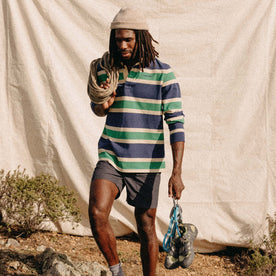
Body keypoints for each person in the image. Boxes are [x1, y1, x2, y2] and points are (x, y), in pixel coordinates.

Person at [87, 7, 185, 276]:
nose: (122, 44)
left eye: (128, 39)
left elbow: (176, 124)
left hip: (147, 161)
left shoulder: (164, 74)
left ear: (140, 38)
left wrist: (176, 172)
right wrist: (104, 103)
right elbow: (97, 107)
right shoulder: (108, 70)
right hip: (112, 155)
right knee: (97, 213)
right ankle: (117, 271)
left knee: (145, 225)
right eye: (118, 39)